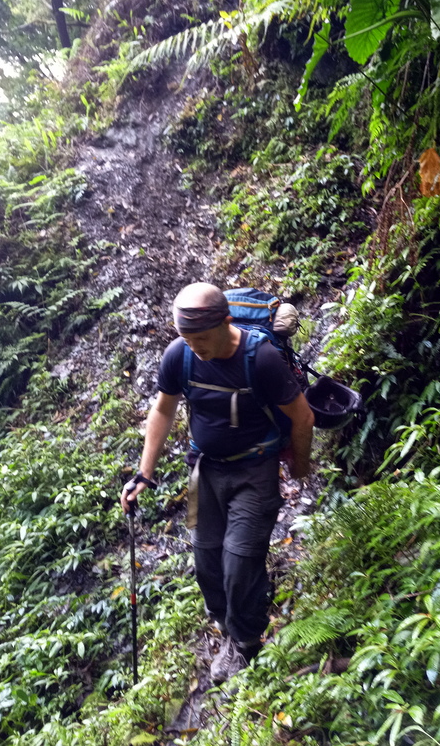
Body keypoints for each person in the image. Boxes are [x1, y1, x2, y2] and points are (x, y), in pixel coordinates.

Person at [120, 282, 314, 683]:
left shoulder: (259, 359)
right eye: (187, 339)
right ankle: (229, 627)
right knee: (207, 562)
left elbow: (303, 417)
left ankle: (246, 644)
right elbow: (162, 411)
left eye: (201, 339)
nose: (195, 348)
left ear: (227, 322)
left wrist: (300, 465)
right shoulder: (181, 355)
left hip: (254, 471)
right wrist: (144, 473)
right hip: (205, 470)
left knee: (239, 561)